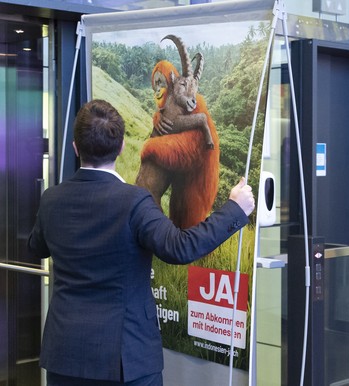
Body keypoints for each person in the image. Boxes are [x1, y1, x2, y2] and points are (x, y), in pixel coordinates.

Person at [27, 99, 255, 386]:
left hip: (66, 357)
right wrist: (235, 209)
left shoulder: (51, 200)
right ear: (122, 147)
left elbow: (37, 248)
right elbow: (180, 247)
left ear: (75, 147)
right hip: (127, 359)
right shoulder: (134, 202)